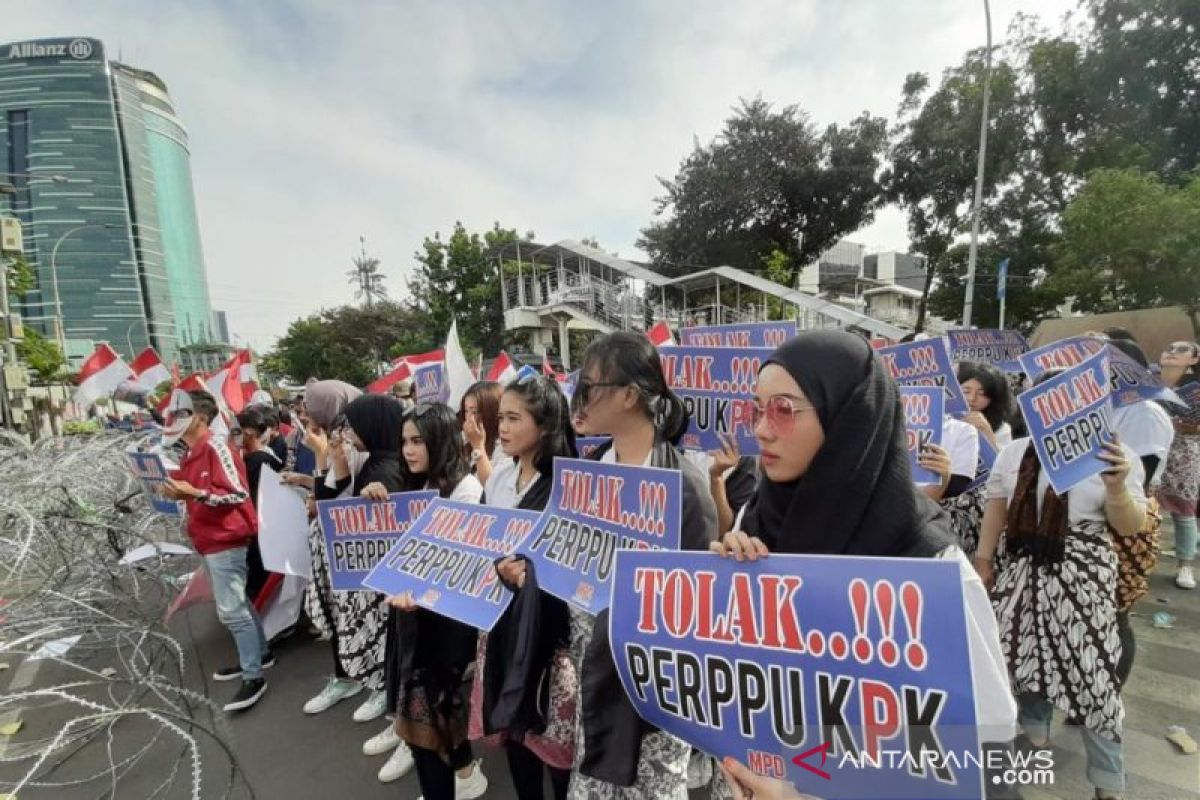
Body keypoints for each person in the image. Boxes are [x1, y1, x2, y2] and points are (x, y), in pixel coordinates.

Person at [709, 332, 1015, 800]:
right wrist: (730, 584)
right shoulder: (760, 514)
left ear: (848, 419)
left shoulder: (930, 564)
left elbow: (984, 753)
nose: (761, 429)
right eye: (756, 407)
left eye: (784, 410)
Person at [975, 376, 1147, 799]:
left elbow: (1130, 525)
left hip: (1083, 577)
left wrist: (1116, 486)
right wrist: (983, 559)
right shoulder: (1015, 453)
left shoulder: (1114, 457)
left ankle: (1108, 782)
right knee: (1021, 664)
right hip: (1021, 571)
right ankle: (1034, 745)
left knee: (1093, 675)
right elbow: (997, 505)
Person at [563, 331, 718, 800]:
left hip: (653, 690)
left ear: (630, 395)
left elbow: (697, 608)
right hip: (594, 674)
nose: (579, 400)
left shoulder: (685, 488)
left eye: (589, 386)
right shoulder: (584, 476)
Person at [474, 375, 579, 800]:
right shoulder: (498, 479)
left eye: (514, 418)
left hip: (549, 644)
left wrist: (534, 577)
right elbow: (479, 542)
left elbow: (577, 570)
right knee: (515, 741)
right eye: (502, 417)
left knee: (555, 753)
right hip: (501, 631)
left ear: (546, 424)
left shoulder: (570, 489)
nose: (503, 427)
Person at [376, 403, 487, 797]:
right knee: (437, 722)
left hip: (448, 631)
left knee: (431, 725)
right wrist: (377, 504)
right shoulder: (416, 487)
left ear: (439, 441)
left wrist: (423, 595)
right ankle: (466, 776)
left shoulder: (467, 491)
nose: (408, 449)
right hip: (417, 624)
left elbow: (463, 569)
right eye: (404, 441)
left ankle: (454, 782)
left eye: (418, 440)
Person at [160, 390, 273, 712]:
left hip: (226, 538)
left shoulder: (215, 446)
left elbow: (238, 494)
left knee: (231, 610)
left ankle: (254, 676)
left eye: (180, 414)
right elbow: (192, 489)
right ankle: (260, 655)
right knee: (239, 604)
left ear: (198, 417)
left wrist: (195, 493)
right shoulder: (192, 451)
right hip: (209, 538)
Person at [297, 379, 380, 718]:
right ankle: (350, 676)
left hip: (356, 552)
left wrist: (322, 457)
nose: (306, 414)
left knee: (367, 621)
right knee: (341, 616)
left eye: (312, 407)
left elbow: (332, 500)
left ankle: (376, 683)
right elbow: (326, 494)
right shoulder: (336, 441)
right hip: (334, 550)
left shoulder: (360, 450)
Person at [1156, 340, 1200, 589]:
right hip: (1152, 446)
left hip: (1184, 451)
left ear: (1194, 360)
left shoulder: (1195, 390)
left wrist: (1194, 427)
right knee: (1144, 503)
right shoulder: (1148, 381)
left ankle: (1185, 564)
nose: (1172, 351)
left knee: (1184, 509)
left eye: (1181, 349)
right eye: (1169, 347)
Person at [958, 361, 1014, 450]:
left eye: (982, 393)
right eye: (966, 391)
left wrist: (988, 433)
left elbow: (1004, 462)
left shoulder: (1002, 429)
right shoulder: (943, 419)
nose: (972, 398)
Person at [461, 380, 503, 484]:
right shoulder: (463, 438)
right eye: (466, 411)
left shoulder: (503, 445)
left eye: (474, 411)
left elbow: (490, 485)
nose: (469, 418)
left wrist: (478, 446)